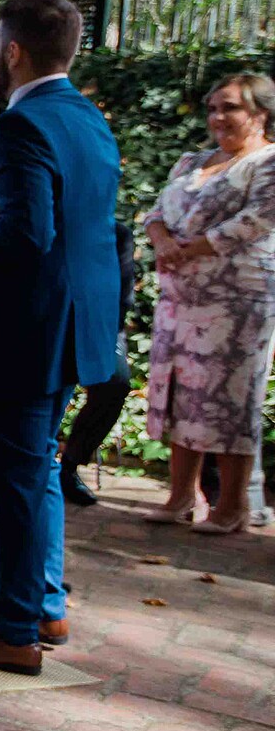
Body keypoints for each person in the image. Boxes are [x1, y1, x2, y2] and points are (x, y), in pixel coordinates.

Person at [0, 0, 119, 674]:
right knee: (37, 472)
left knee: (10, 483)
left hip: (19, 336)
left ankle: (13, 631)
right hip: (68, 331)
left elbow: (26, 235)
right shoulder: (88, 119)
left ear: (14, 51)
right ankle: (41, 602)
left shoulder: (20, 128)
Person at [139, 72, 275, 533]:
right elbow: (155, 212)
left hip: (237, 301)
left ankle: (232, 506)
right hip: (180, 299)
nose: (218, 116)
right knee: (179, 392)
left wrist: (187, 249)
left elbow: (253, 221)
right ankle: (180, 498)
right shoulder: (191, 161)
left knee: (228, 397)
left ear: (260, 114)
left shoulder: (268, 162)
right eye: (214, 107)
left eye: (231, 107)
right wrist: (161, 241)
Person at [61, 221, 136, 506]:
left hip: (99, 325)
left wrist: (98, 334)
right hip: (50, 323)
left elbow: (123, 295)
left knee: (115, 381)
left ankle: (70, 465)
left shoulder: (116, 233)